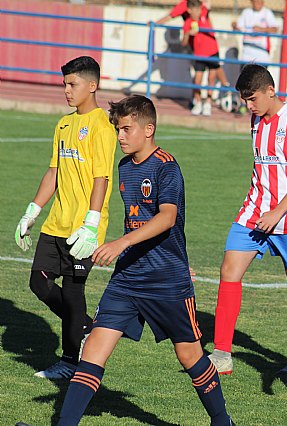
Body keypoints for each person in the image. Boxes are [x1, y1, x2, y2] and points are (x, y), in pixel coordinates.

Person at [53, 95, 233, 426]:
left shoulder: (166, 167)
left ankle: (223, 422)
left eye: (126, 129)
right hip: (127, 279)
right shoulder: (124, 167)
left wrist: (120, 243)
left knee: (189, 355)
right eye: (117, 129)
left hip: (166, 281)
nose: (120, 136)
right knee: (93, 348)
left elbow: (167, 218)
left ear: (148, 129)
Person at [210, 64, 287, 376]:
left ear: (271, 91)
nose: (248, 105)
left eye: (252, 98)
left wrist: (278, 212)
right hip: (254, 212)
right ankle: (221, 354)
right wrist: (264, 210)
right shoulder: (256, 119)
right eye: (244, 100)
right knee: (229, 269)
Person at [14, 56, 116, 380]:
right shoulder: (63, 124)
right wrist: (32, 210)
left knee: (73, 292)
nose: (67, 90)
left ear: (92, 86)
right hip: (56, 222)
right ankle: (85, 323)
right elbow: (54, 171)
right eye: (64, 84)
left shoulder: (102, 126)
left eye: (72, 84)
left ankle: (70, 360)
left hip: (84, 227)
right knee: (38, 282)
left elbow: (102, 178)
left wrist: (91, 222)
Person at [181, 0, 230, 116]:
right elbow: (183, 43)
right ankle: (198, 102)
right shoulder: (188, 22)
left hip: (212, 51)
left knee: (211, 78)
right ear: (189, 10)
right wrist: (188, 34)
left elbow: (208, 4)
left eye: (199, 9)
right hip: (199, 54)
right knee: (197, 80)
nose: (198, 12)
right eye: (195, 10)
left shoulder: (204, 15)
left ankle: (208, 103)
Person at [232, 0, 279, 66]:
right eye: (256, 2)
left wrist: (261, 29)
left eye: (260, 2)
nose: (258, 4)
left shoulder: (267, 13)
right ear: (252, 2)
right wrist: (234, 26)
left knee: (261, 75)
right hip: (247, 51)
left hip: (261, 51)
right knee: (245, 74)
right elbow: (239, 28)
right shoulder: (246, 12)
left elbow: (275, 29)